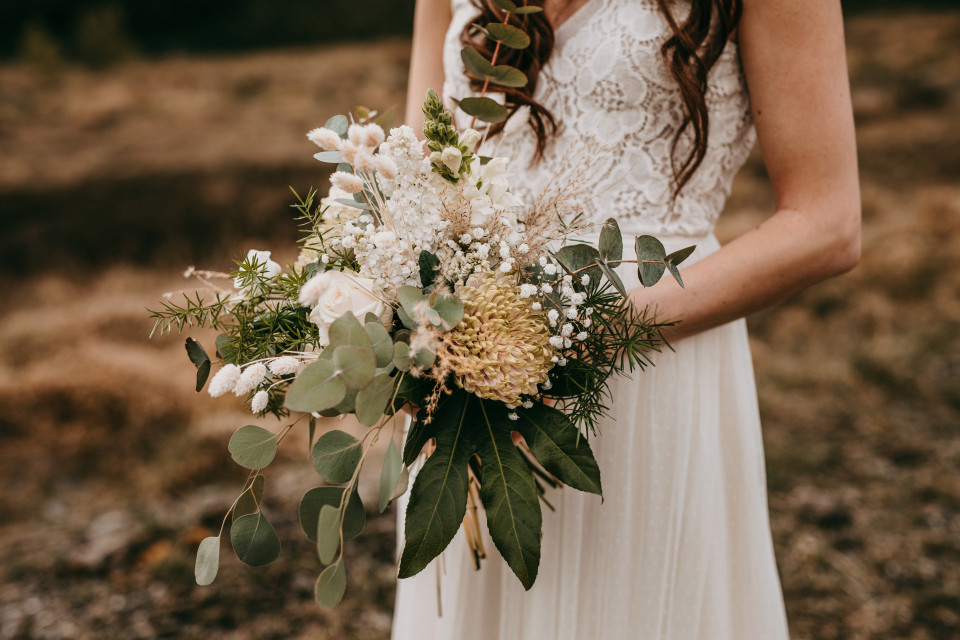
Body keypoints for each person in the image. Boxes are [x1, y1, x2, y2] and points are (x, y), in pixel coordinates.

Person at [393, 0, 861, 638]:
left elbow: (827, 225)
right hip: (468, 370)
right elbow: (419, 170)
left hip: (652, 356)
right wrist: (392, 315)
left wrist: (574, 334)